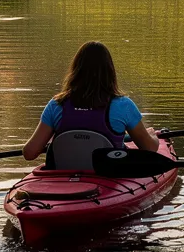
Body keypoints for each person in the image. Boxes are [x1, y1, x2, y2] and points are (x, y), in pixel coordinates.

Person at [21, 41, 159, 164]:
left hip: (63, 177)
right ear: (110, 72)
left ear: (76, 70)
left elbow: (30, 153)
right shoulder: (124, 105)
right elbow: (150, 149)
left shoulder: (56, 105)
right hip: (108, 177)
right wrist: (153, 137)